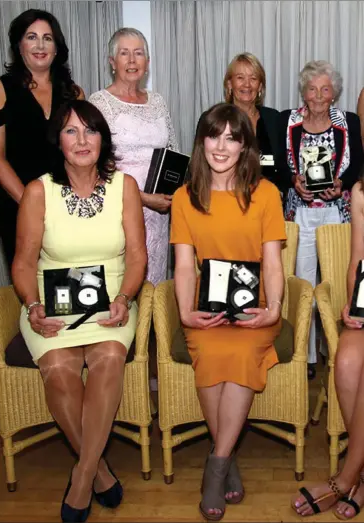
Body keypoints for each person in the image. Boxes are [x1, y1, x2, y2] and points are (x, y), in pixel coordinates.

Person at [12, 100, 147, 523]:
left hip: (111, 300)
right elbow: (22, 263)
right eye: (71, 131)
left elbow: (139, 258)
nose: (82, 140)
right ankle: (100, 471)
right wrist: (33, 306)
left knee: (108, 357)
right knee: (58, 367)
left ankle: (83, 474)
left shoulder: (124, 186)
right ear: (59, 141)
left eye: (90, 130)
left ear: (103, 138)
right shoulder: (38, 191)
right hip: (53, 302)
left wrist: (124, 297)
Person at [171, 102, 286, 521]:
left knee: (238, 354)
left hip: (253, 307)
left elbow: (272, 261)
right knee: (211, 352)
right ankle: (228, 458)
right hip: (206, 309)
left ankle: (215, 467)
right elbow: (184, 265)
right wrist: (185, 311)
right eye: (214, 135)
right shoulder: (185, 197)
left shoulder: (266, 193)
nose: (222, 146)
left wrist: (273, 310)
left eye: (232, 138)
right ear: (201, 141)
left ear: (244, 146)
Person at [281, 60, 364, 378]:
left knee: (335, 281)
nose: (317, 95)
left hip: (337, 212)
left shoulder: (348, 121)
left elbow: (357, 162)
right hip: (300, 212)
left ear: (334, 94)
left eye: (325, 89)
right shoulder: (287, 122)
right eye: (312, 88)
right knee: (304, 285)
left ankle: (336, 347)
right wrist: (293, 180)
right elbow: (281, 166)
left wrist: (342, 184)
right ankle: (308, 355)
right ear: (303, 91)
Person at [0, 8, 84, 270]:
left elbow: (82, 154)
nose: (40, 45)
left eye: (47, 38)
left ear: (56, 47)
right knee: (32, 287)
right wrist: (32, 204)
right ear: (19, 45)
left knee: (71, 285)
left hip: (67, 204)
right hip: (17, 203)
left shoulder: (74, 94)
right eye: (31, 37)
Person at [291, 172, 364, 519]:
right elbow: (357, 262)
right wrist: (353, 303)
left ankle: (347, 477)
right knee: (347, 361)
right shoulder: (361, 192)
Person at [89, 27, 178, 286]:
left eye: (138, 53)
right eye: (124, 53)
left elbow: (171, 150)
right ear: (112, 62)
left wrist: (172, 194)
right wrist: (143, 198)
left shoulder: (158, 101)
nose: (131, 60)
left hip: (160, 212)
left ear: (147, 63)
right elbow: (94, 168)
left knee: (154, 285)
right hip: (120, 209)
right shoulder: (99, 103)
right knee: (124, 287)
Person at [223, 52, 284, 193]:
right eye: (240, 78)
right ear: (229, 84)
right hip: (228, 198)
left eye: (253, 78)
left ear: (260, 86)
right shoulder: (216, 119)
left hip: (269, 202)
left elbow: (283, 166)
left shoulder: (274, 118)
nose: (247, 84)